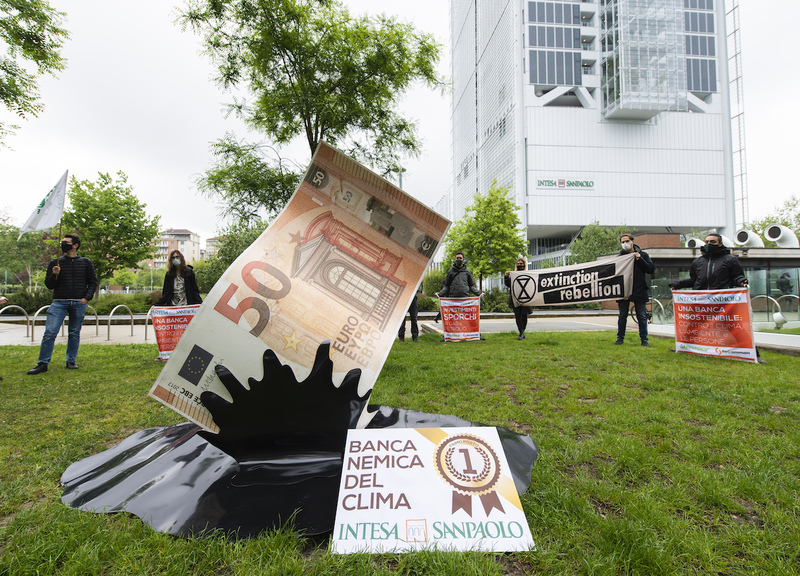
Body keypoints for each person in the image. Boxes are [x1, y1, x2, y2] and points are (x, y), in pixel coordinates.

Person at [27, 235, 97, 374]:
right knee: (50, 332)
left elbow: (93, 282)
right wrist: (54, 274)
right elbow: (49, 285)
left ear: (75, 245)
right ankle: (43, 363)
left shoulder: (85, 262)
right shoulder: (56, 262)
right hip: (59, 302)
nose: (63, 245)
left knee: (74, 333)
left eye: (66, 243)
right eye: (62, 242)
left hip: (78, 302)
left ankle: (71, 361)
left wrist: (86, 298)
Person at [614, 234, 655, 347]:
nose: (625, 244)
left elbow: (650, 269)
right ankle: (620, 338)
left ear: (632, 241)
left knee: (641, 315)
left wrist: (640, 259)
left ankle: (644, 340)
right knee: (622, 316)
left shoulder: (643, 255)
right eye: (622, 242)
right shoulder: (619, 258)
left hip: (639, 289)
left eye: (627, 241)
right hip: (624, 291)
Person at [669, 233, 748, 291]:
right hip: (701, 299)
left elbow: (736, 277)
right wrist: (677, 284)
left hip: (722, 300)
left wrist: (741, 281)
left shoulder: (730, 259)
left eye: (713, 242)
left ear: (720, 244)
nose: (709, 244)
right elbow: (694, 280)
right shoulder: (697, 262)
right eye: (707, 242)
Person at [436, 251, 485, 340]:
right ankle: (446, 336)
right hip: (453, 300)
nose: (459, 260)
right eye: (457, 258)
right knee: (451, 320)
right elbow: (446, 286)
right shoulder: (450, 272)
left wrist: (479, 293)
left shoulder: (467, 272)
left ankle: (477, 334)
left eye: (460, 258)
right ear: (455, 259)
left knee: (470, 318)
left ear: (463, 260)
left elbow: (471, 286)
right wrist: (439, 294)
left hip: (465, 299)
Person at [504, 257, 531, 340]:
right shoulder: (513, 275)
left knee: (524, 315)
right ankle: (521, 332)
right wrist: (506, 277)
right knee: (518, 315)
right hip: (515, 298)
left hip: (525, 298)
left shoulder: (528, 274)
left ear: (524, 265)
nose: (520, 265)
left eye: (521, 264)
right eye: (518, 264)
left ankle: (522, 332)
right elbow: (508, 284)